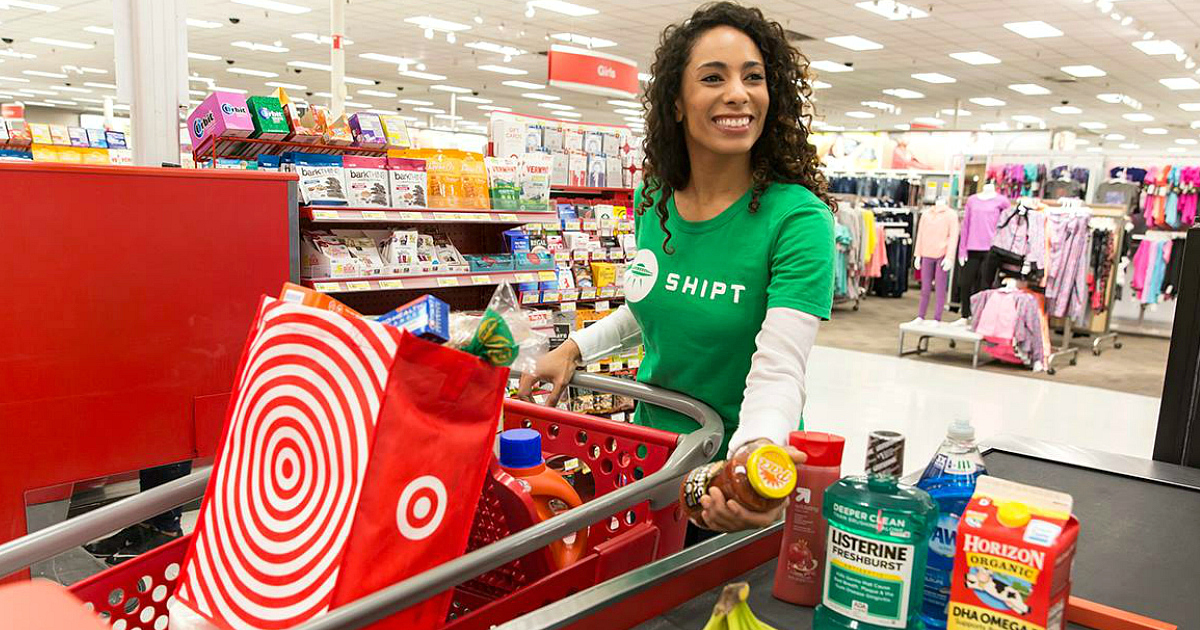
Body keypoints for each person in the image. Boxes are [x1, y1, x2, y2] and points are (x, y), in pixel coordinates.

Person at [519, 2, 835, 536]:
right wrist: (573, 350)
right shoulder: (654, 199)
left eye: (753, 77)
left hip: (733, 465)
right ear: (678, 104)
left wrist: (749, 464)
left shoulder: (798, 219)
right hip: (651, 459)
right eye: (714, 77)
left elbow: (780, 367)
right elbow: (655, 306)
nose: (738, 93)